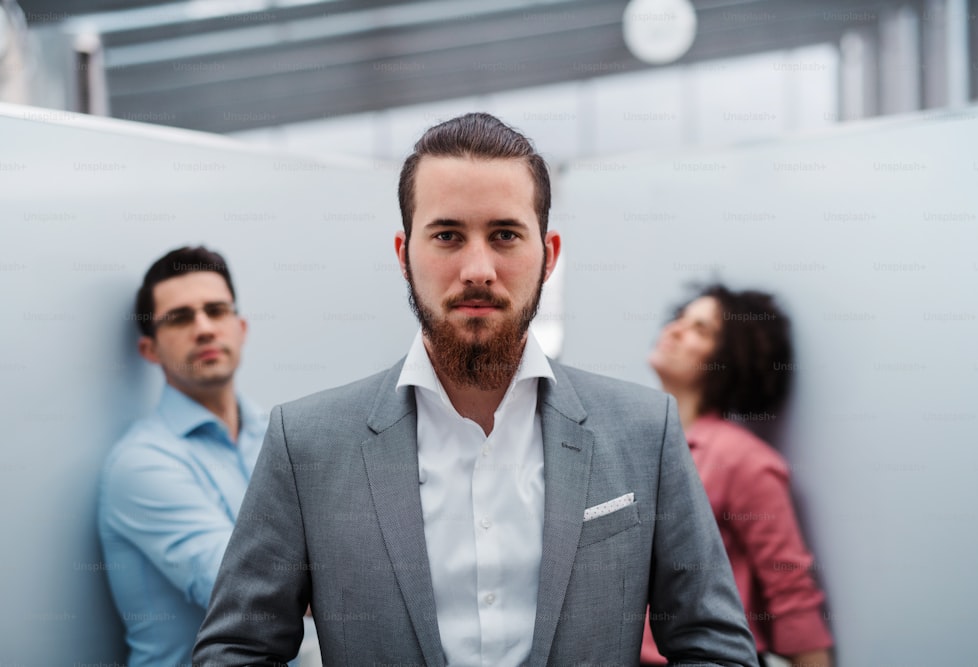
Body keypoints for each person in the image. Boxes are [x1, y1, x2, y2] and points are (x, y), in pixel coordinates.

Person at [193, 113, 759, 666]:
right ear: (404, 255)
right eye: (447, 235)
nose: (478, 268)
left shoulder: (641, 431)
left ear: (549, 256)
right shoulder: (308, 444)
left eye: (506, 235)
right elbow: (237, 649)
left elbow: (715, 647)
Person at [641, 285, 834, 667]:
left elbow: (791, 592)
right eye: (680, 319)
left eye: (701, 329)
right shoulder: (636, 441)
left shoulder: (745, 461)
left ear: (729, 359)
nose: (676, 331)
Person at [98, 246, 267, 666]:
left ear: (240, 327)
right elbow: (252, 592)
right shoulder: (142, 464)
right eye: (180, 317)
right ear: (150, 350)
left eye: (216, 310)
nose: (205, 328)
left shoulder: (276, 437)